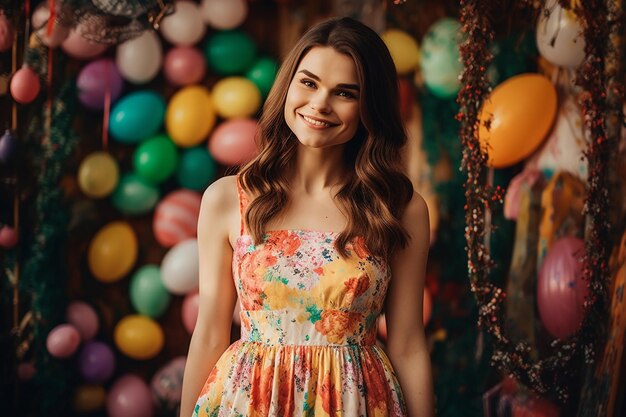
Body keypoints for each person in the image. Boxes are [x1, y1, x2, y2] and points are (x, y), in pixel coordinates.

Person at [180, 16, 434, 417]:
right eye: (309, 83)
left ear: (370, 107)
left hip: (356, 403)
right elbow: (210, 333)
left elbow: (407, 344)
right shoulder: (228, 199)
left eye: (345, 93)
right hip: (251, 401)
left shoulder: (399, 208)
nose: (319, 104)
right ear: (288, 86)